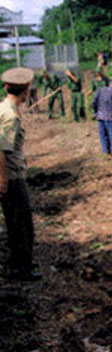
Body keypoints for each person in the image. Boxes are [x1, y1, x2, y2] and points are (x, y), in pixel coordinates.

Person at [0, 67, 41, 280]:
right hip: (12, 176)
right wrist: (3, 180)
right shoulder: (10, 117)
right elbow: (2, 150)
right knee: (21, 224)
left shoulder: (4, 108)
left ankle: (19, 261)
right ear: (27, 90)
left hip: (10, 173)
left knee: (16, 221)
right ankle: (21, 268)